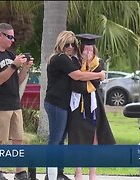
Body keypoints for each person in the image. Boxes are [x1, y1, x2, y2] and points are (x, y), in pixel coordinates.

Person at [44, 31, 105, 180]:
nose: (70, 47)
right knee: (56, 139)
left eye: (73, 44)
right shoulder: (61, 58)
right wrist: (99, 75)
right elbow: (78, 76)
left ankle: (58, 173)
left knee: (60, 140)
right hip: (56, 103)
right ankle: (51, 174)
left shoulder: (70, 59)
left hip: (63, 104)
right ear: (60, 44)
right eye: (67, 44)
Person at [0, 23, 33, 180]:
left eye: (13, 37)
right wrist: (14, 65)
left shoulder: (10, 55)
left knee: (18, 139)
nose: (12, 40)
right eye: (9, 36)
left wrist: (25, 68)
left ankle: (20, 171)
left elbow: (16, 80)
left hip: (14, 103)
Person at [67, 33, 116, 180]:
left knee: (94, 137)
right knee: (78, 137)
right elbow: (76, 84)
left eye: (91, 50)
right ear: (80, 50)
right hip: (77, 104)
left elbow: (93, 84)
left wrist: (87, 72)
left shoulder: (98, 63)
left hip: (94, 104)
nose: (88, 53)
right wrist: (94, 74)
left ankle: (92, 173)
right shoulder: (73, 62)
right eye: (85, 50)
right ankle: (79, 172)